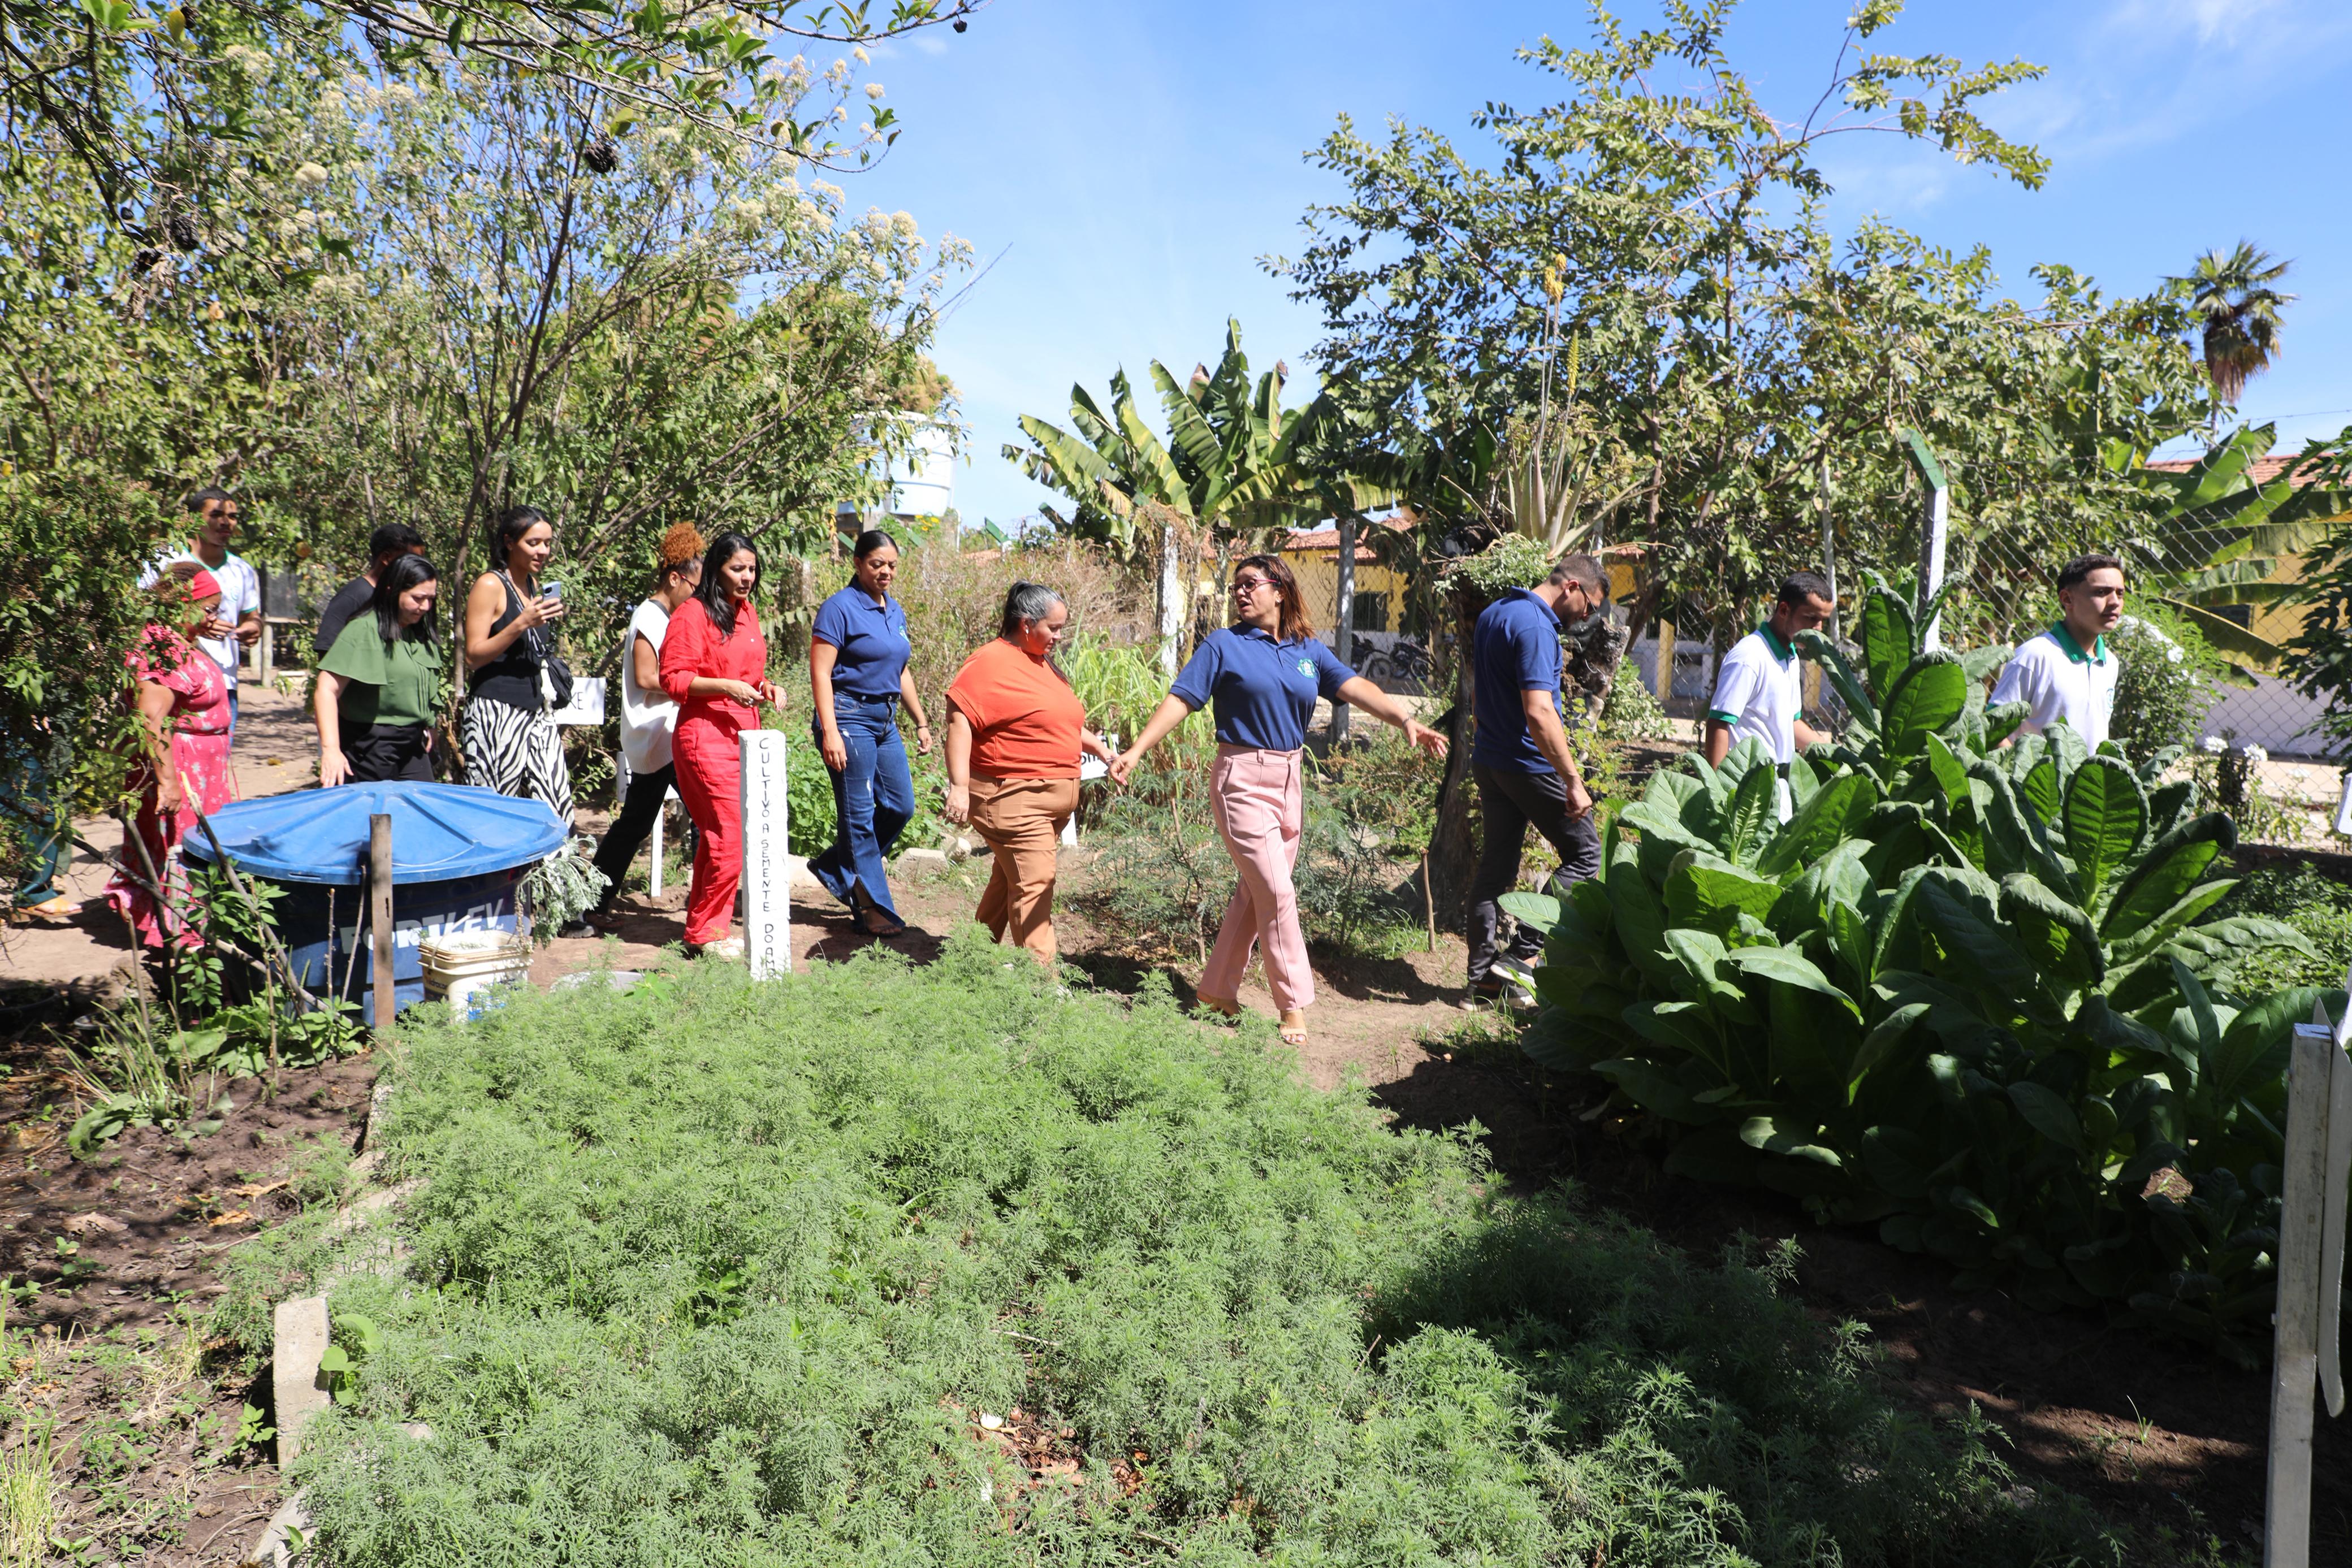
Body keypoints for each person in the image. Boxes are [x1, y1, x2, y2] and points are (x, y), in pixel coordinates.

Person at [1111, 553, 1446, 1046]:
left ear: (1279, 590)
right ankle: (1293, 1004)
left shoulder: (1307, 649)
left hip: (1290, 779)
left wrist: (1405, 721)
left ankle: (1215, 992)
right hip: (1241, 779)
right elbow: (1182, 697)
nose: (1241, 593)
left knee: (1257, 892)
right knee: (1277, 891)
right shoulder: (1223, 645)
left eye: (1250, 584)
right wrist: (1138, 750)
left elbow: (1352, 686)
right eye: (1236, 587)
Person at [941, 583, 1119, 965]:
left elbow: (1060, 721)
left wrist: (1102, 750)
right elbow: (959, 721)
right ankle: (1040, 982)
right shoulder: (989, 663)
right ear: (1026, 625)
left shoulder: (1041, 663)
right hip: (1013, 800)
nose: (1059, 637)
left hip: (1045, 802)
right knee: (1035, 885)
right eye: (1052, 629)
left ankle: (970, 959)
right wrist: (958, 786)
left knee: (1009, 879)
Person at [1464, 552, 1610, 1006]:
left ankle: (1480, 984)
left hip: (1491, 760)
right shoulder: (1535, 626)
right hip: (1529, 764)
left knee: (1497, 868)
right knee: (1586, 856)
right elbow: (1540, 710)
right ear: (1571, 587)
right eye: (1590, 606)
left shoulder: (1497, 613)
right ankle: (1518, 961)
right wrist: (1571, 779)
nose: (1588, 617)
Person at [659, 531, 784, 957]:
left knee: (731, 836)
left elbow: (747, 675)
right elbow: (673, 678)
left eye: (752, 569)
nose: (747, 577)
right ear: (716, 569)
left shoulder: (746, 613)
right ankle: (707, 935)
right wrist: (726, 688)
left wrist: (766, 687)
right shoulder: (692, 614)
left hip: (745, 736)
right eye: (737, 569)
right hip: (704, 737)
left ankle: (705, 927)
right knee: (728, 834)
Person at [106, 564, 240, 947]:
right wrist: (168, 783)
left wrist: (200, 628)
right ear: (185, 604)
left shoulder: (179, 638)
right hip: (181, 769)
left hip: (201, 767)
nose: (215, 617)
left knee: (194, 846)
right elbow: (152, 718)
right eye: (209, 608)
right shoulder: (161, 648)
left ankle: (190, 923)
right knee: (182, 847)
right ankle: (182, 931)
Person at [808, 530, 932, 938]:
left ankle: (835, 867)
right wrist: (831, 732)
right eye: (877, 563)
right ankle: (872, 907)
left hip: (884, 719)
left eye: (892, 565)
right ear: (858, 563)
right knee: (859, 816)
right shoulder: (839, 608)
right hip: (848, 716)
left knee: (900, 807)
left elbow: (901, 669)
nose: (885, 571)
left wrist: (921, 721)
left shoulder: (893, 610)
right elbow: (821, 672)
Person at [587, 523, 704, 930]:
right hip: (659, 735)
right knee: (706, 817)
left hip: (665, 734)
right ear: (675, 578)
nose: (697, 595)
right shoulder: (649, 617)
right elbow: (647, 677)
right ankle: (590, 902)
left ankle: (591, 901)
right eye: (695, 585)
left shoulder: (665, 614)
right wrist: (698, 688)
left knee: (637, 822)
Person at [461, 504, 573, 826]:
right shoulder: (490, 585)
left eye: (548, 543)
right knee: (496, 810)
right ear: (510, 543)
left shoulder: (533, 587)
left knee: (556, 809)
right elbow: (473, 655)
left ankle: (551, 877)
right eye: (533, 543)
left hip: (537, 710)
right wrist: (521, 624)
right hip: (496, 712)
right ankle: (497, 878)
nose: (543, 551)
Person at [314, 555, 443, 785]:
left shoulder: (420, 631)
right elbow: (326, 689)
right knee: (374, 817)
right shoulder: (364, 629)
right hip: (371, 744)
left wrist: (431, 724)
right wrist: (331, 749)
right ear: (392, 591)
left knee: (419, 812)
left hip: (412, 743)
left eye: (431, 599)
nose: (425, 607)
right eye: (418, 598)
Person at [144, 488, 262, 737]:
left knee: (214, 761)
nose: (225, 522)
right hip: (168, 680)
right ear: (194, 518)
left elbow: (253, 617)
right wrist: (193, 626)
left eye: (232, 516)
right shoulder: (162, 560)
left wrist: (254, 629)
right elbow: (140, 616)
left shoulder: (243, 571)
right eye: (216, 514)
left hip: (223, 683)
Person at [1990, 552, 2126, 749]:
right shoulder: (2034, 656)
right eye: (2101, 592)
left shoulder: (2110, 663)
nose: (2115, 602)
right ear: (2067, 599)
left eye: (2120, 593)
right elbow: (1994, 730)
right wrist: (2020, 777)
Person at [313, 523, 428, 657]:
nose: (416, 567)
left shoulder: (407, 600)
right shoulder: (352, 597)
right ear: (386, 558)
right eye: (411, 559)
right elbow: (328, 655)